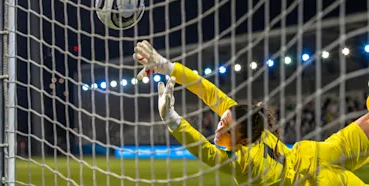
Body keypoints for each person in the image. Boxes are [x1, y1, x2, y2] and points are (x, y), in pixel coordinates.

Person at [133, 40, 369, 185]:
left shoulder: (243, 161)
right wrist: (166, 68)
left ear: (243, 139)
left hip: (318, 169)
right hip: (318, 167)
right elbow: (208, 93)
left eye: (225, 127)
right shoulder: (250, 138)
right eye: (222, 122)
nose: (218, 127)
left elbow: (204, 147)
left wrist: (172, 118)